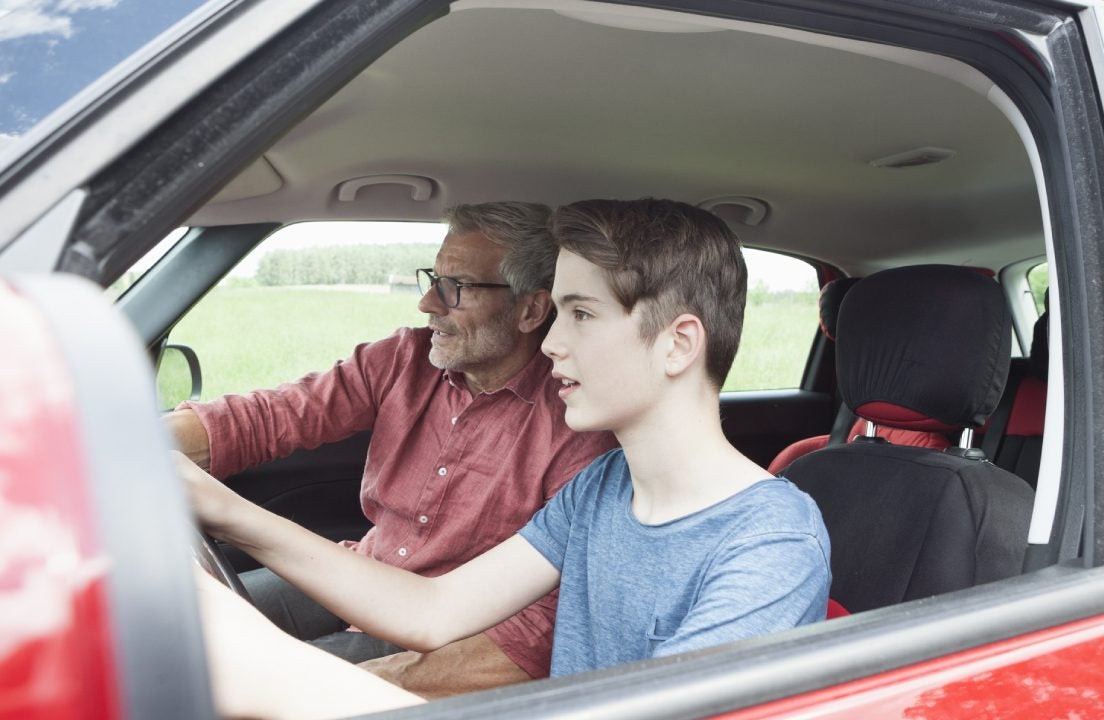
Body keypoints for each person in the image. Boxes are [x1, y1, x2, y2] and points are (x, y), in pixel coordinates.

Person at [184, 198, 830, 715]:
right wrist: (224, 510)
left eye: (580, 314)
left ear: (677, 344)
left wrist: (283, 682)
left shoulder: (771, 543)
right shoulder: (604, 488)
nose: (549, 343)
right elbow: (431, 612)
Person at [167, 201, 617, 697]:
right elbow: (272, 416)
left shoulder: (578, 429)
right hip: (360, 574)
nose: (427, 303)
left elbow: (533, 636)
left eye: (456, 287)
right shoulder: (405, 359)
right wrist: (130, 443)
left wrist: (359, 690)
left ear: (530, 309)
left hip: (453, 638)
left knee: (224, 683)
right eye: (434, 279)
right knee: (174, 626)